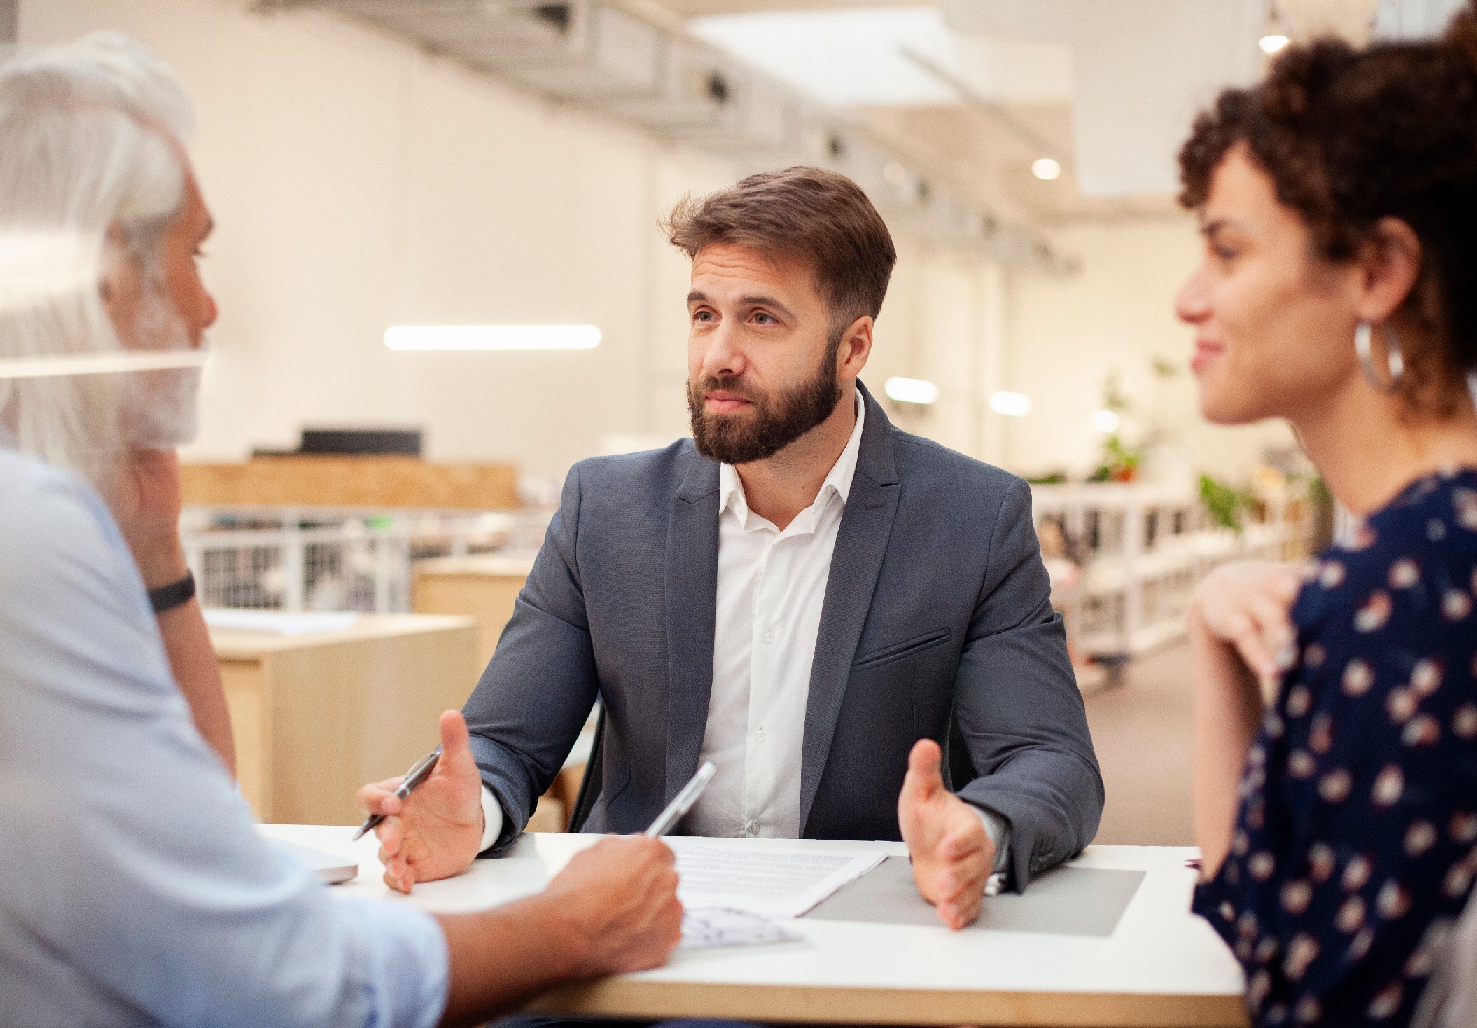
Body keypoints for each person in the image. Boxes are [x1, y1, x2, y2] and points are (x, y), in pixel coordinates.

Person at [0, 34, 683, 1027]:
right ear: (106, 272)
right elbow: (278, 979)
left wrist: (155, 548)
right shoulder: (10, 530)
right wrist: (571, 923)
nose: (208, 304)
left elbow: (196, 836)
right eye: (191, 254)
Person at [362, 166, 1104, 928]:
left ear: (852, 349)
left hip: (864, 943)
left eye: (761, 319)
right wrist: (474, 807)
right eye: (703, 314)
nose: (718, 355)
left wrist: (981, 828)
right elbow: (505, 743)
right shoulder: (606, 511)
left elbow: (1052, 762)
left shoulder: (970, 519)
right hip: (634, 934)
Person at [1176, 6, 1477, 1025]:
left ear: (1376, 271)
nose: (1189, 296)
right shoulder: (1419, 554)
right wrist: (1212, 631)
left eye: (1226, 249)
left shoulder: (1413, 587)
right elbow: (1265, 917)